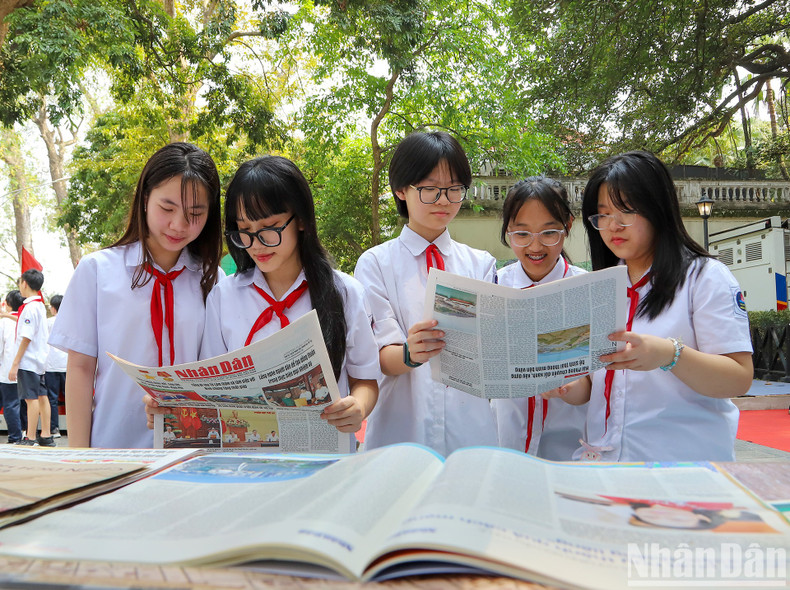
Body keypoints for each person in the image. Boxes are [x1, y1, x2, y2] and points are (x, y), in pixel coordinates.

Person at [147, 155, 379, 442]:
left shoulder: (345, 292)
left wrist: (358, 407)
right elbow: (208, 391)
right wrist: (168, 409)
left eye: (269, 229)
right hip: (246, 459)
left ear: (301, 220)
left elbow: (365, 380)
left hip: (324, 457)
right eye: (244, 231)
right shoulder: (224, 296)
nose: (256, 245)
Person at [544, 151, 753, 462]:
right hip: (603, 466)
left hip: (680, 467)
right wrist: (566, 386)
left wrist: (670, 354)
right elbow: (593, 384)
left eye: (626, 211)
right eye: (603, 215)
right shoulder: (599, 286)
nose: (613, 226)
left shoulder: (704, 277)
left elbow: (738, 378)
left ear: (657, 208)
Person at [49, 142, 223, 448]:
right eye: (167, 208)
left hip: (192, 450)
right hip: (113, 448)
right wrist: (78, 457)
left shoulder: (212, 279)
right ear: (145, 199)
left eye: (195, 213)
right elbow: (80, 368)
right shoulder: (98, 271)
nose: (178, 225)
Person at [354, 131, 498, 455]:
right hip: (402, 433)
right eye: (430, 189)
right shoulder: (376, 264)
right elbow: (379, 356)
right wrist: (410, 353)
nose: (444, 200)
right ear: (401, 189)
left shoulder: (481, 264)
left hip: (470, 431)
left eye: (454, 188)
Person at [491, 177, 588, 460]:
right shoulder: (493, 286)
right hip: (505, 440)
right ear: (508, 231)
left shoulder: (587, 289)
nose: (535, 246)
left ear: (567, 226)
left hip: (569, 447)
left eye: (549, 233)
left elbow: (593, 382)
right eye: (522, 234)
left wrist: (566, 388)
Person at [10, 269, 54, 446]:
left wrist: (15, 363)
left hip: (29, 361)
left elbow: (26, 337)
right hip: (39, 360)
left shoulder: (29, 308)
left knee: (31, 399)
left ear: (25, 283)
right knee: (42, 396)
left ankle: (30, 436)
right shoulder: (39, 306)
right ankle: (46, 435)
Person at [0, 290, 24, 443]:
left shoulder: (4, 322)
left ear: (8, 304)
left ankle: (15, 437)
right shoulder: (24, 321)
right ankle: (19, 435)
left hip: (6, 370)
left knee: (10, 405)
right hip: (24, 369)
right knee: (16, 403)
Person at [44, 294, 66, 438]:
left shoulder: (48, 322)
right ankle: (73, 427)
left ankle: (54, 428)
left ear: (53, 308)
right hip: (66, 364)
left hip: (51, 364)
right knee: (70, 398)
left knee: (52, 399)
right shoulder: (70, 321)